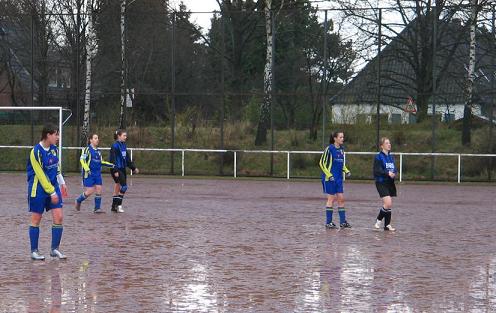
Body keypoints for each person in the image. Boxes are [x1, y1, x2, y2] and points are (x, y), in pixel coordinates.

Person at [26, 124, 68, 260]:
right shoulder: (35, 152)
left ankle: (54, 249)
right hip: (38, 189)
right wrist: (51, 192)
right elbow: (41, 174)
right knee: (36, 219)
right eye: (56, 134)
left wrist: (62, 182)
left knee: (59, 217)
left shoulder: (54, 149)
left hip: (53, 187)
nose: (58, 137)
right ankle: (34, 251)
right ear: (48, 135)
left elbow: (56, 167)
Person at [319, 131, 351, 229]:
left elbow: (341, 163)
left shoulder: (341, 149)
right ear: (335, 138)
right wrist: (329, 175)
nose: (342, 139)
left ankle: (343, 222)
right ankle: (329, 222)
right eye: (340, 137)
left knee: (341, 199)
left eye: (343, 137)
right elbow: (322, 163)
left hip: (338, 179)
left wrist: (346, 170)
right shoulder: (329, 149)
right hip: (330, 179)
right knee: (331, 199)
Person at [75, 133, 115, 213]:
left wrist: (112, 165)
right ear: (90, 140)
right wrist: (86, 168)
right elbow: (82, 160)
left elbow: (101, 162)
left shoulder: (98, 151)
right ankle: (78, 200)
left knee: (99, 189)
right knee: (89, 191)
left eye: (97, 138)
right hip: (89, 174)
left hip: (97, 174)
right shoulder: (87, 149)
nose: (97, 140)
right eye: (95, 138)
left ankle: (97, 209)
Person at [109, 129, 139, 213]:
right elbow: (112, 159)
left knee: (117, 187)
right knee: (124, 187)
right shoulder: (114, 146)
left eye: (126, 135)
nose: (126, 137)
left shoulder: (123, 145)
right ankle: (119, 205)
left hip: (122, 169)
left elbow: (127, 159)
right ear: (119, 136)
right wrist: (115, 170)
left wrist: (133, 168)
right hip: (116, 168)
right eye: (124, 135)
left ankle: (113, 207)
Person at [373, 137, 397, 231]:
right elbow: (377, 170)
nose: (389, 144)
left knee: (389, 204)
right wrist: (387, 173)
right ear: (382, 146)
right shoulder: (378, 157)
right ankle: (378, 221)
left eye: (389, 143)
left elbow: (394, 168)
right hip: (381, 182)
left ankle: (387, 225)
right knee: (388, 203)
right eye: (387, 143)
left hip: (389, 182)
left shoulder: (391, 157)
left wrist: (394, 173)